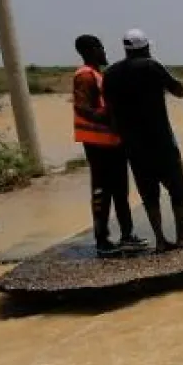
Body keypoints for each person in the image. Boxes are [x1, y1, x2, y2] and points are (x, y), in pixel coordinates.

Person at [102, 29, 183, 250]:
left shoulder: (110, 74)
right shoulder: (152, 66)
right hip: (160, 139)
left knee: (148, 192)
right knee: (177, 187)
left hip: (133, 145)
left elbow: (110, 114)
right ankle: (182, 235)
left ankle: (160, 240)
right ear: (145, 48)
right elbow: (179, 91)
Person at [72, 34, 143, 255]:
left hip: (112, 142)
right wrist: (109, 117)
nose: (104, 51)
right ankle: (102, 240)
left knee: (120, 190)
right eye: (100, 47)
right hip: (98, 143)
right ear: (91, 49)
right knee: (102, 191)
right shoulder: (85, 76)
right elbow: (82, 107)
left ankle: (127, 235)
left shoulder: (98, 75)